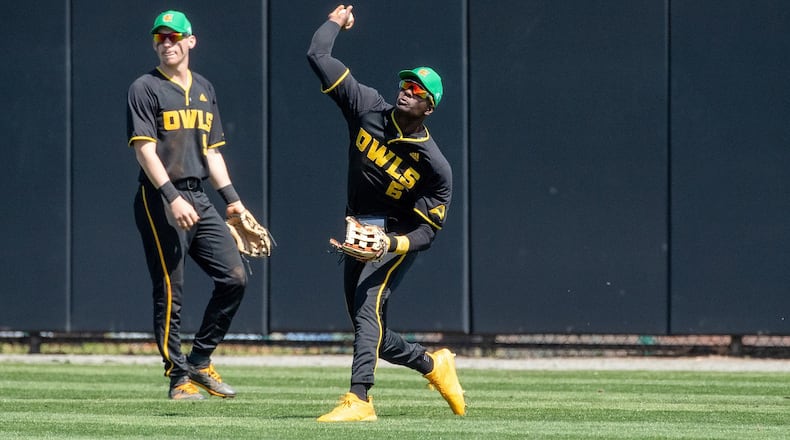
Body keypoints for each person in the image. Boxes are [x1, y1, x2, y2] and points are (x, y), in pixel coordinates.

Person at [307, 5, 466, 421]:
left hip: (396, 237)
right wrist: (335, 22)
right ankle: (434, 366)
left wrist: (390, 243)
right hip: (358, 227)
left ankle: (359, 399)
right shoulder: (368, 107)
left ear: (429, 108)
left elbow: (429, 232)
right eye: (406, 83)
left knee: (366, 310)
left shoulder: (435, 165)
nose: (407, 90)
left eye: (418, 91)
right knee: (367, 328)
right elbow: (318, 57)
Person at [127, 10, 251, 400]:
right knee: (171, 288)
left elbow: (212, 152)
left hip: (198, 194)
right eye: (160, 37)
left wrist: (233, 202)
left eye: (174, 37)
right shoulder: (144, 88)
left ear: (190, 41)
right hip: (159, 197)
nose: (167, 43)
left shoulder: (204, 88)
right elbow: (145, 151)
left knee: (234, 277)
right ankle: (177, 376)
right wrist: (172, 197)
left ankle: (199, 360)